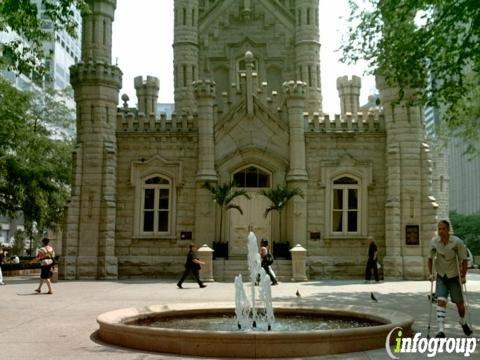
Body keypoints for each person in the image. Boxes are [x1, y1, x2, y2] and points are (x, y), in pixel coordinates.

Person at [428, 220, 473, 338]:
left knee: (460, 304)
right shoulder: (434, 242)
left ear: (448, 230)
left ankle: (462, 321)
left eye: (443, 229)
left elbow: (464, 260)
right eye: (439, 229)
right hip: (441, 275)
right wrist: (430, 274)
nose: (440, 231)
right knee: (441, 300)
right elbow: (430, 259)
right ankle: (441, 330)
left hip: (454, 276)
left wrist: (463, 275)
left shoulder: (457, 242)